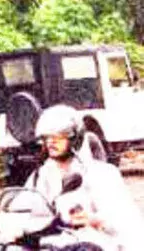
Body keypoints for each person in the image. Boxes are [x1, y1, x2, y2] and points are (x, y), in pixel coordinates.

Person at [29, 104, 144, 251]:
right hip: (55, 243)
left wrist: (93, 219)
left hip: (96, 242)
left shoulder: (101, 173)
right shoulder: (41, 174)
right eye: (47, 137)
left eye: (58, 136)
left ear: (74, 137)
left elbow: (126, 220)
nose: (51, 141)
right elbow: (26, 204)